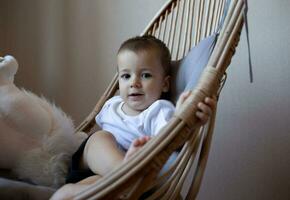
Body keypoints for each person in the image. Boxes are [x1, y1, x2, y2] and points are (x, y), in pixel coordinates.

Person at [50, 35, 216, 199]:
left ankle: (122, 178)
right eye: (126, 76)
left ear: (165, 84)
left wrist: (185, 116)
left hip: (112, 181)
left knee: (68, 194)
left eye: (145, 75)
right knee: (100, 137)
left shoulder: (159, 111)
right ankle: (124, 171)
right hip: (96, 165)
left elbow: (172, 136)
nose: (134, 83)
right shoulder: (112, 104)